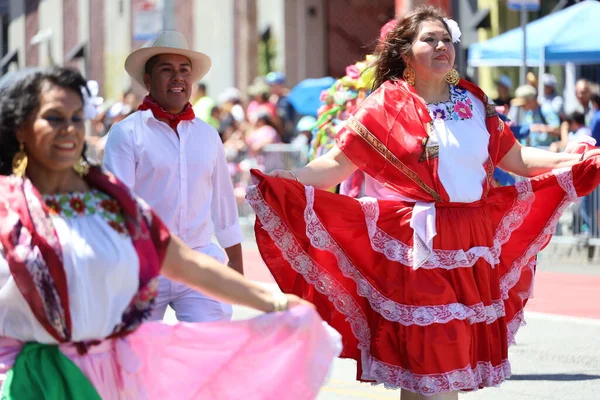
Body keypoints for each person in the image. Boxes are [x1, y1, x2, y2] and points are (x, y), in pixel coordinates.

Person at [246, 6, 600, 399]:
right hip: (422, 246)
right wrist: (284, 180)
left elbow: (515, 159)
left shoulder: (474, 102)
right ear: (405, 52)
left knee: (434, 373)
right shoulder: (386, 105)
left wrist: (573, 160)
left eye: (446, 39)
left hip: (472, 243)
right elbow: (334, 165)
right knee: (433, 363)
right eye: (429, 39)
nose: (441, 46)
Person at [0, 67, 341, 399]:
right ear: (21, 128)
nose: (69, 130)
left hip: (109, 376)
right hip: (30, 380)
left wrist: (275, 301)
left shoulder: (111, 203)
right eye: (54, 118)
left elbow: (184, 262)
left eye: (76, 118)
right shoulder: (8, 206)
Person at [103, 30, 243, 324]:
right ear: (149, 81)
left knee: (211, 349)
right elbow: (117, 207)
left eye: (184, 71)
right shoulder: (126, 134)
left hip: (199, 260)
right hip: (143, 264)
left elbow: (224, 204)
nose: (177, 77)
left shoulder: (207, 135)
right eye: (166, 70)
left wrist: (237, 268)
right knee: (137, 357)